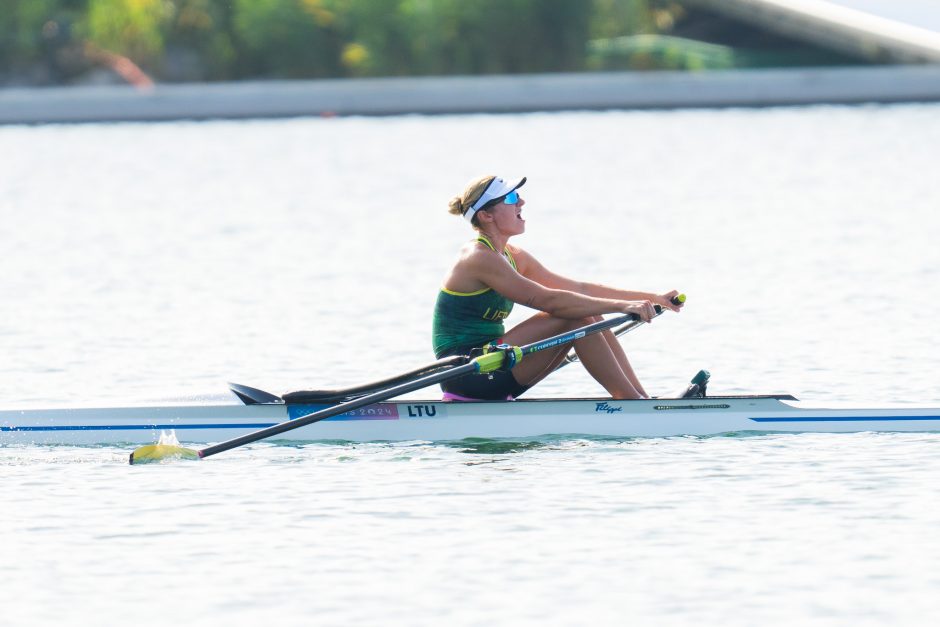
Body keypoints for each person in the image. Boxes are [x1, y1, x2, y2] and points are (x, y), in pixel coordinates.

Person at [431, 175, 683, 401]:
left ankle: (641, 399)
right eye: (511, 197)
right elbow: (549, 301)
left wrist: (654, 298)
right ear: (486, 215)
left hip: (497, 362)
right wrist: (622, 306)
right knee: (577, 318)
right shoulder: (477, 257)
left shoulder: (513, 256)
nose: (521, 202)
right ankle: (631, 403)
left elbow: (579, 289)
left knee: (588, 313)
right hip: (466, 370)